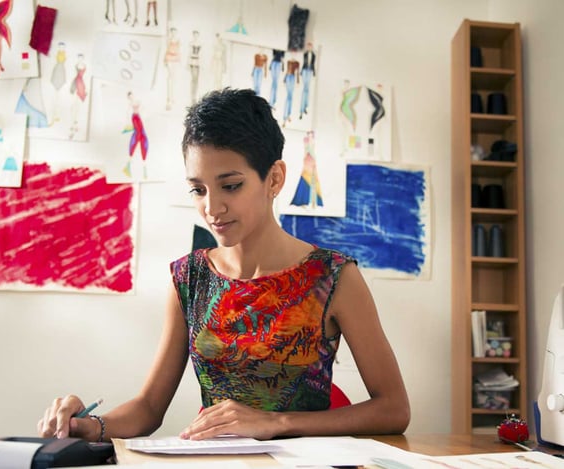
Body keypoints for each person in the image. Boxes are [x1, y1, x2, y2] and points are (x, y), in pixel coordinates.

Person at [37, 88, 410, 443]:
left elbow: (394, 409)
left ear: (274, 178)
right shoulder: (189, 278)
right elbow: (149, 408)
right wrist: (88, 425)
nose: (212, 209)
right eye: (199, 190)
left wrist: (276, 423)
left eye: (230, 186)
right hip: (219, 459)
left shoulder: (334, 277)